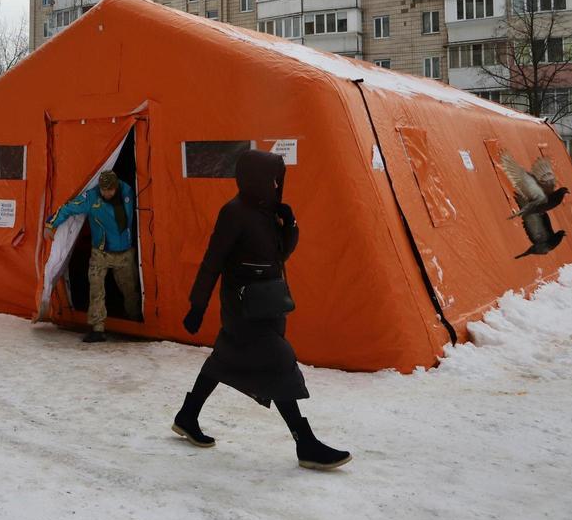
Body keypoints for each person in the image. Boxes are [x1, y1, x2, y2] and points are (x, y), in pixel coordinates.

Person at [172, 149, 351, 471]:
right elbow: (213, 260)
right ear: (254, 178)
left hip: (268, 304)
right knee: (279, 361)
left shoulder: (266, 211)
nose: (275, 184)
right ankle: (305, 442)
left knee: (224, 359)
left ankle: (187, 415)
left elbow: (280, 254)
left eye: (277, 179)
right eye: (271, 178)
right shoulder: (234, 212)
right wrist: (197, 305)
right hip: (244, 308)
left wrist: (289, 223)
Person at [45, 170, 138, 343]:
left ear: (116, 187)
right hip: (100, 252)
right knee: (96, 290)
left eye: (110, 190)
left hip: (124, 253)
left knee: (130, 290)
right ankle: (97, 328)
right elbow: (69, 208)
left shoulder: (127, 191)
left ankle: (135, 321)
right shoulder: (91, 198)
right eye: (103, 190)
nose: (106, 193)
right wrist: (51, 224)